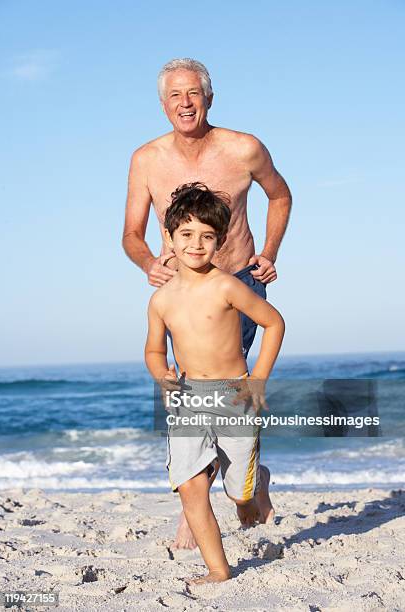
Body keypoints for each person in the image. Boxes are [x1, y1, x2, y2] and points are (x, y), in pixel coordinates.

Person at [123, 57, 292, 548]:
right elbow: (132, 235)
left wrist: (270, 251)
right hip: (180, 291)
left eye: (193, 93)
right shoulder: (147, 159)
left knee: (227, 393)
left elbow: (280, 196)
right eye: (175, 95)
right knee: (191, 386)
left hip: (238, 281)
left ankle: (232, 486)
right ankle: (201, 497)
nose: (185, 103)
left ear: (209, 97)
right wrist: (146, 263)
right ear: (162, 104)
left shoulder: (243, 148)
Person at [145, 184, 285, 583]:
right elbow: (154, 350)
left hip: (233, 395)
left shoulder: (226, 285)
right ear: (170, 239)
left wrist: (257, 379)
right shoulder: (161, 301)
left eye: (207, 236)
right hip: (187, 398)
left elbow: (274, 322)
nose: (197, 244)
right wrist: (162, 375)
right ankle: (218, 570)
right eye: (187, 234)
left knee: (237, 495)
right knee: (190, 487)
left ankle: (255, 484)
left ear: (220, 241)